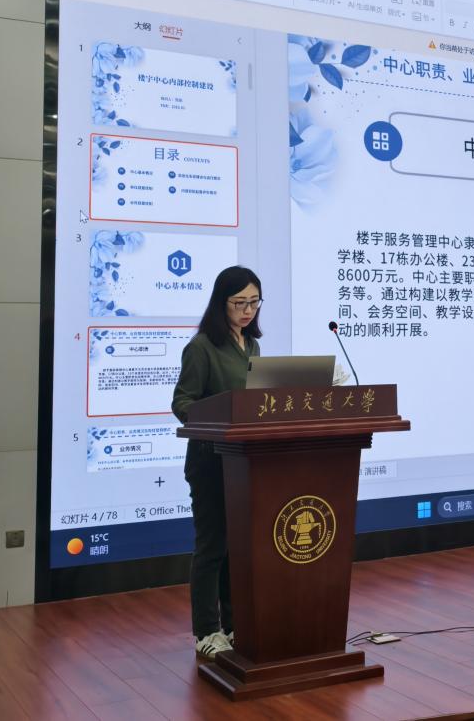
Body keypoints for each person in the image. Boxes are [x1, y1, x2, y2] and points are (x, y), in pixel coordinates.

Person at [171, 265, 263, 659]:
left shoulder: (252, 346)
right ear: (220, 303)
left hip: (244, 462)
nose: (248, 310)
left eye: (254, 302)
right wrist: (216, 421)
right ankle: (207, 631)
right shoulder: (202, 347)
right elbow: (182, 402)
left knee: (236, 547)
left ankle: (234, 625)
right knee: (212, 547)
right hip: (210, 461)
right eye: (239, 303)